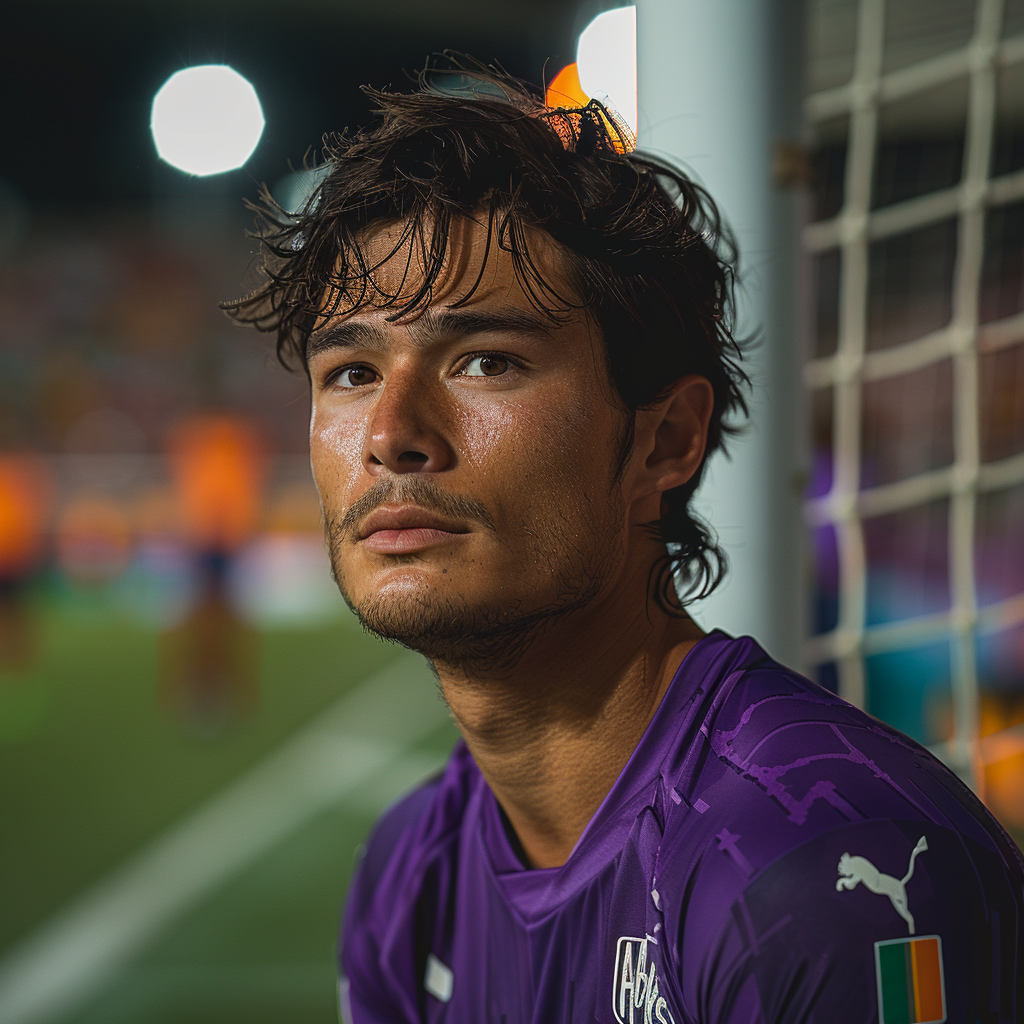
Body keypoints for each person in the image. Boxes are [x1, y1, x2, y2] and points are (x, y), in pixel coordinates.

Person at [225, 61, 1023, 1024]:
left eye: (486, 360)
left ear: (667, 440)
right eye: (351, 371)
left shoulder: (828, 872)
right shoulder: (409, 875)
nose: (393, 431)